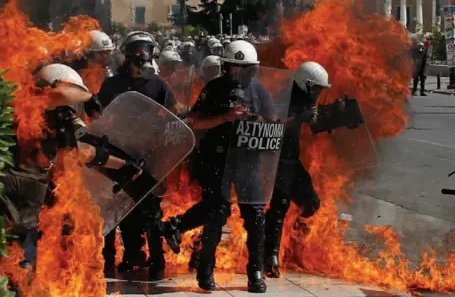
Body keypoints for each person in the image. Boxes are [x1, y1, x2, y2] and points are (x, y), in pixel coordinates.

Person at [0, 63, 140, 269]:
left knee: (11, 252)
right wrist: (122, 165)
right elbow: (77, 154)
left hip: (8, 186)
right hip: (28, 191)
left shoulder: (18, 107)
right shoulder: (53, 117)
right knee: (24, 259)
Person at [162, 40, 273, 293]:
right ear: (225, 67)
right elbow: (194, 122)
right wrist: (224, 118)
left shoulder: (259, 92)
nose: (237, 74)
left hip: (248, 160)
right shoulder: (213, 89)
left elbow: (273, 122)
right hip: (217, 158)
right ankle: (205, 268)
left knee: (255, 216)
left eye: (243, 69)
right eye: (233, 68)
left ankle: (255, 270)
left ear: (253, 70)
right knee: (217, 211)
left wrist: (256, 118)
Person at [97, 31, 176, 280]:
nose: (144, 55)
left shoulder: (159, 85)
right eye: (140, 49)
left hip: (149, 154)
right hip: (120, 155)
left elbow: (172, 118)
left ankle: (157, 260)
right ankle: (128, 256)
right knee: (122, 209)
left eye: (148, 49)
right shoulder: (112, 84)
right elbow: (100, 119)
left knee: (151, 210)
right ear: (129, 54)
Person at [263, 61, 326, 278]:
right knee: (279, 206)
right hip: (275, 159)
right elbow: (273, 124)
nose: (318, 93)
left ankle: (293, 247)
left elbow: (315, 124)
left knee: (311, 203)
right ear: (305, 83)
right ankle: (269, 256)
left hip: (292, 160)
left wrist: (337, 113)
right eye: (316, 88)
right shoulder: (284, 96)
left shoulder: (306, 101)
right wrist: (300, 117)